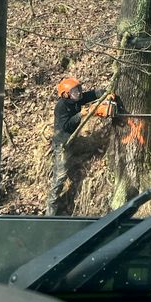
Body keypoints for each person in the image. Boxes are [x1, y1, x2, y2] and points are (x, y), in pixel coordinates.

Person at [46, 77, 101, 216]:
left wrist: (106, 92)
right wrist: (79, 115)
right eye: (75, 91)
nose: (79, 92)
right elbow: (66, 125)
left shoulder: (77, 99)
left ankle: (77, 164)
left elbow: (91, 95)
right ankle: (51, 211)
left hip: (74, 140)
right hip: (63, 144)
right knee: (60, 177)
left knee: (94, 145)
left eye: (79, 89)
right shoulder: (61, 107)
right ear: (66, 94)